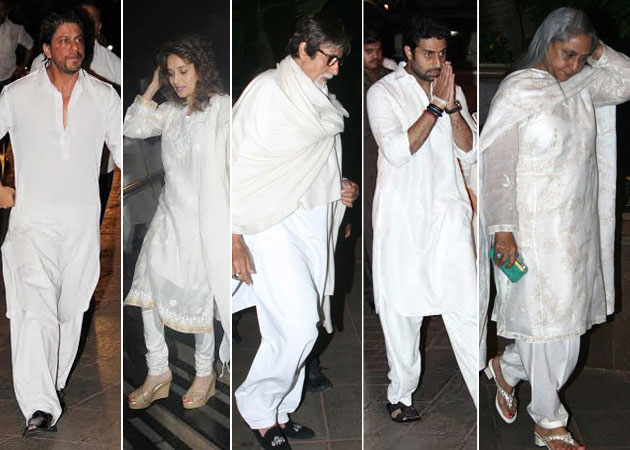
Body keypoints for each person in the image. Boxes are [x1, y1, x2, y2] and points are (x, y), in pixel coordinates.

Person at [481, 7, 630, 449]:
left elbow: (626, 81)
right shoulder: (519, 90)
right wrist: (503, 229)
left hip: (576, 232)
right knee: (547, 326)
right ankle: (548, 420)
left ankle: (507, 367)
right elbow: (496, 164)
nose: (574, 65)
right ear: (546, 44)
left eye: (583, 57)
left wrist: (598, 51)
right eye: (568, 54)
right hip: (529, 230)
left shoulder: (583, 86)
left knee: (567, 326)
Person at [231, 12, 359, 450]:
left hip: (311, 222)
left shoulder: (320, 96)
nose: (335, 69)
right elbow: (235, 165)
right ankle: (257, 408)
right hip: (268, 223)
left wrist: (340, 187)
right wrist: (233, 237)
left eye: (339, 60)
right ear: (303, 48)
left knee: (292, 327)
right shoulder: (267, 90)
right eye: (329, 58)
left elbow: (313, 164)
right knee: (301, 324)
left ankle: (280, 413)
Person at [0, 9, 120, 435]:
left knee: (71, 310)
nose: (75, 47)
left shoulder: (104, 97)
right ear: (47, 50)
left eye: (79, 39)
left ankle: (51, 384)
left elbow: (122, 151)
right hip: (32, 223)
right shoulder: (17, 95)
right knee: (35, 307)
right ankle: (39, 405)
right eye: (65, 40)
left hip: (81, 226)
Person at [367, 16, 478, 422]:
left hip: (448, 214)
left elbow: (470, 150)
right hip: (402, 218)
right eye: (428, 54)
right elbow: (398, 151)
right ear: (408, 52)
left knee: (467, 306)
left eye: (442, 54)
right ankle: (401, 394)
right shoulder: (383, 93)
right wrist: (434, 107)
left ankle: (482, 395)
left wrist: (452, 108)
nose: (436, 63)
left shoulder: (451, 88)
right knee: (403, 313)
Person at [123, 35, 230, 411]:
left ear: (201, 69)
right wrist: (153, 86)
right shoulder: (168, 111)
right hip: (168, 217)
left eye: (184, 71)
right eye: (170, 73)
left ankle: (204, 373)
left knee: (198, 298)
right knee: (148, 290)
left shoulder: (221, 108)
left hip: (205, 223)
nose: (177, 80)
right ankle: (158, 371)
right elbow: (132, 127)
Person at [32, 0, 121, 224]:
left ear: (98, 27)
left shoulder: (114, 65)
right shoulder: (42, 62)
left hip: (97, 168)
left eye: (90, 21)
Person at [363, 27, 391, 303]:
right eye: (369, 51)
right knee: (371, 224)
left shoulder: (388, 77)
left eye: (378, 50)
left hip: (390, 156)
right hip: (367, 156)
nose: (375, 56)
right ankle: (374, 288)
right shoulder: (353, 80)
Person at [0, 0, 33, 90]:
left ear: (6, 11)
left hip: (7, 80)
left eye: (1, 10)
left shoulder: (15, 29)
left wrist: (23, 65)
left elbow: (30, 45)